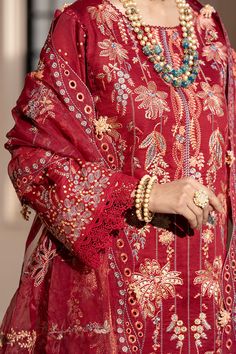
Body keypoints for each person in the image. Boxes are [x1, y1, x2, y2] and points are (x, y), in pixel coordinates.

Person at [0, 0, 236, 352]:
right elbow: (34, 156)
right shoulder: (84, 24)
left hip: (207, 290)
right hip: (116, 286)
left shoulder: (207, 26)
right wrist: (145, 194)